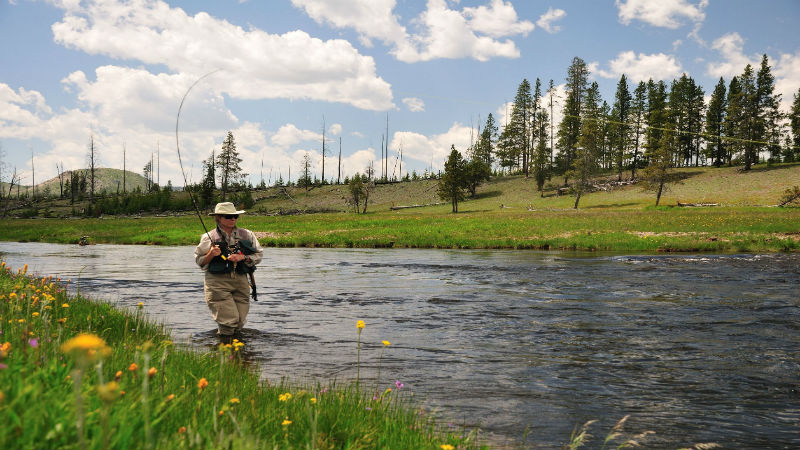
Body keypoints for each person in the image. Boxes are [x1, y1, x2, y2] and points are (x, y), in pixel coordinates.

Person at [194, 202, 263, 343]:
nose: (233, 219)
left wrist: (243, 257)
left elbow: (259, 255)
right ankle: (226, 355)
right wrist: (211, 254)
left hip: (241, 281)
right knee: (228, 323)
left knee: (239, 323)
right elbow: (200, 261)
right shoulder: (209, 237)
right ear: (219, 218)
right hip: (217, 283)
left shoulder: (247, 235)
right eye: (228, 216)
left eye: (235, 216)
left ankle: (237, 356)